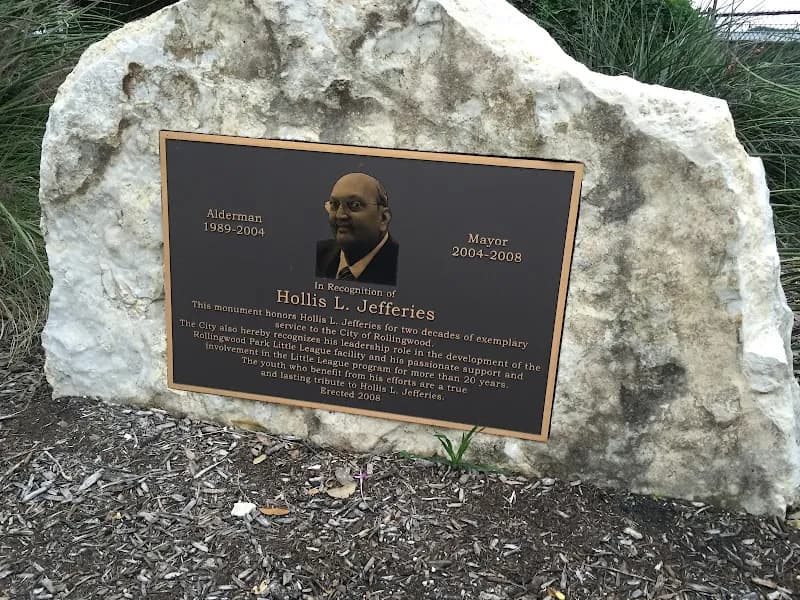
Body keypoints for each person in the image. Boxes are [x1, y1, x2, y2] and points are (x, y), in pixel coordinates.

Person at [316, 172, 399, 286]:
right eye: (334, 204)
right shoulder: (319, 255)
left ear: (383, 218)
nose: (340, 215)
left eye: (355, 205)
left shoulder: (401, 267)